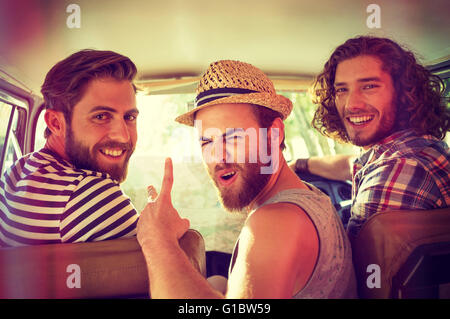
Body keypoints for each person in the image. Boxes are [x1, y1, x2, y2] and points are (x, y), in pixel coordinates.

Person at [136, 60, 357, 299]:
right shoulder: (310, 195)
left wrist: (158, 240)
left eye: (233, 137)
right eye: (207, 142)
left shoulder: (275, 222)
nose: (218, 157)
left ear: (275, 134)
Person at [290, 36, 450, 238]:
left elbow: (351, 269)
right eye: (342, 90)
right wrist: (299, 164)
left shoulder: (399, 168)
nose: (351, 104)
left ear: (403, 93)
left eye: (369, 86)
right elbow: (352, 165)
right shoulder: (417, 147)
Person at [0, 49, 140, 247]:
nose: (123, 135)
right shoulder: (92, 194)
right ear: (56, 123)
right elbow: (170, 269)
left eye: (129, 117)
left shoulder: (15, 171)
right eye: (101, 116)